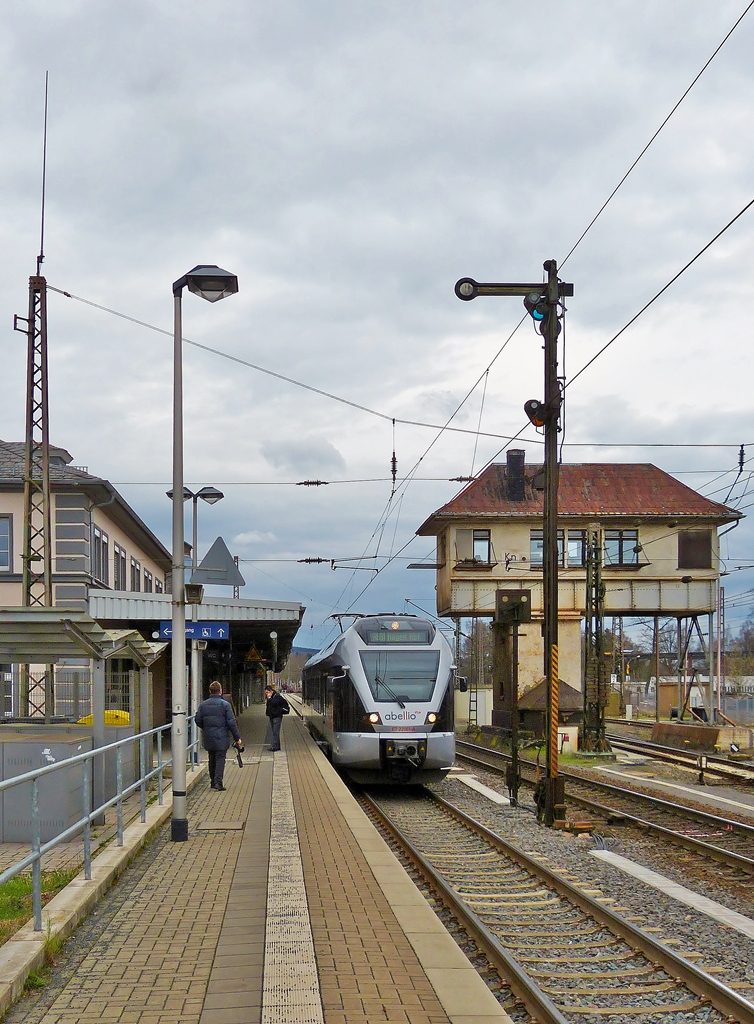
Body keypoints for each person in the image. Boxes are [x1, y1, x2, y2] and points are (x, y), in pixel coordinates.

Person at [195, 681, 242, 791]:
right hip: (222, 737)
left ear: (210, 691)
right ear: (220, 691)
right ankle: (218, 783)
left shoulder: (203, 705)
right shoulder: (225, 705)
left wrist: (206, 728)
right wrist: (237, 738)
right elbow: (231, 722)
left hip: (208, 737)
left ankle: (212, 781)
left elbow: (197, 720)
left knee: (211, 758)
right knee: (220, 759)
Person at [264, 684, 290, 751]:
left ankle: (275, 747)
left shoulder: (277, 697)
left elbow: (273, 703)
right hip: (272, 716)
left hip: (277, 716)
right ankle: (276, 746)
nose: (266, 694)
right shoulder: (272, 697)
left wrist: (269, 698)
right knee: (274, 732)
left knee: (275, 732)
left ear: (271, 691)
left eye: (267, 692)